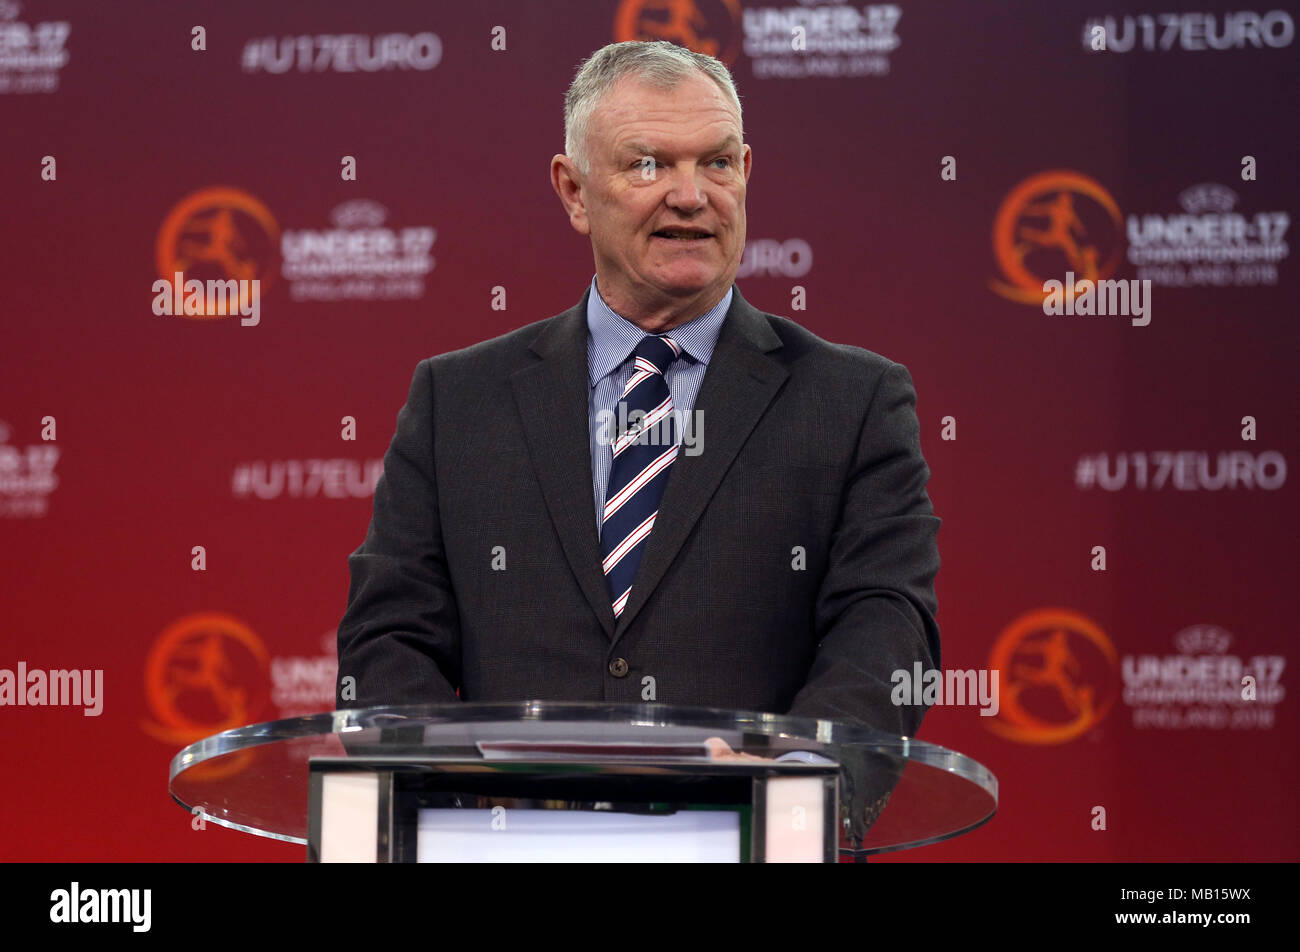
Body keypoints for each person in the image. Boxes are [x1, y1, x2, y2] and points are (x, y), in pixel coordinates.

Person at [335, 40, 941, 740]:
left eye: (716, 162)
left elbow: (886, 631)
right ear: (573, 191)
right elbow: (389, 640)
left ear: (745, 172)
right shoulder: (458, 400)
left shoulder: (855, 401)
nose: (691, 196)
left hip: (752, 833)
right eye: (648, 164)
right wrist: (445, 791)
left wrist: (798, 782)